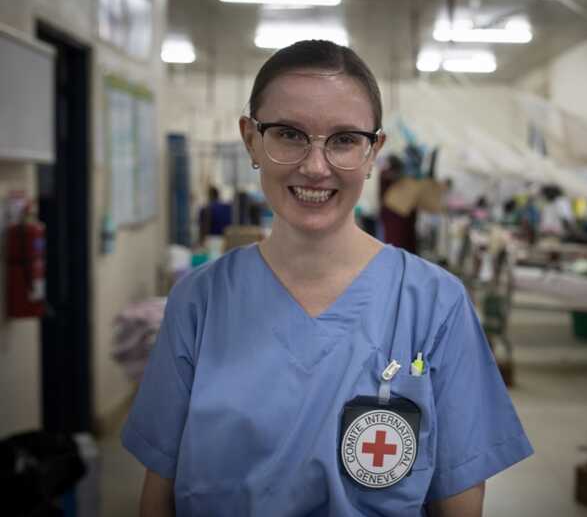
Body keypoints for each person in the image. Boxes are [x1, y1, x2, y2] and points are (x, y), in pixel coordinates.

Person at [122, 40, 532, 517]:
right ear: (251, 140)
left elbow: (459, 502)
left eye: (344, 140)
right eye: (289, 134)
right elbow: (159, 492)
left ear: (373, 151)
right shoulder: (199, 302)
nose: (315, 167)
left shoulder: (435, 305)